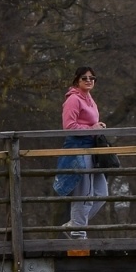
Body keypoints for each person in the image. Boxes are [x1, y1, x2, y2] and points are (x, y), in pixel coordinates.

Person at [54, 67, 108, 237]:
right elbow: (69, 127)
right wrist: (92, 128)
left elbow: (89, 123)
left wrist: (98, 127)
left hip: (92, 148)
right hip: (79, 148)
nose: (89, 80)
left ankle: (73, 225)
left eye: (92, 78)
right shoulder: (73, 99)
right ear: (77, 80)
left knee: (101, 194)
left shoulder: (89, 98)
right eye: (84, 78)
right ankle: (78, 235)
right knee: (84, 194)